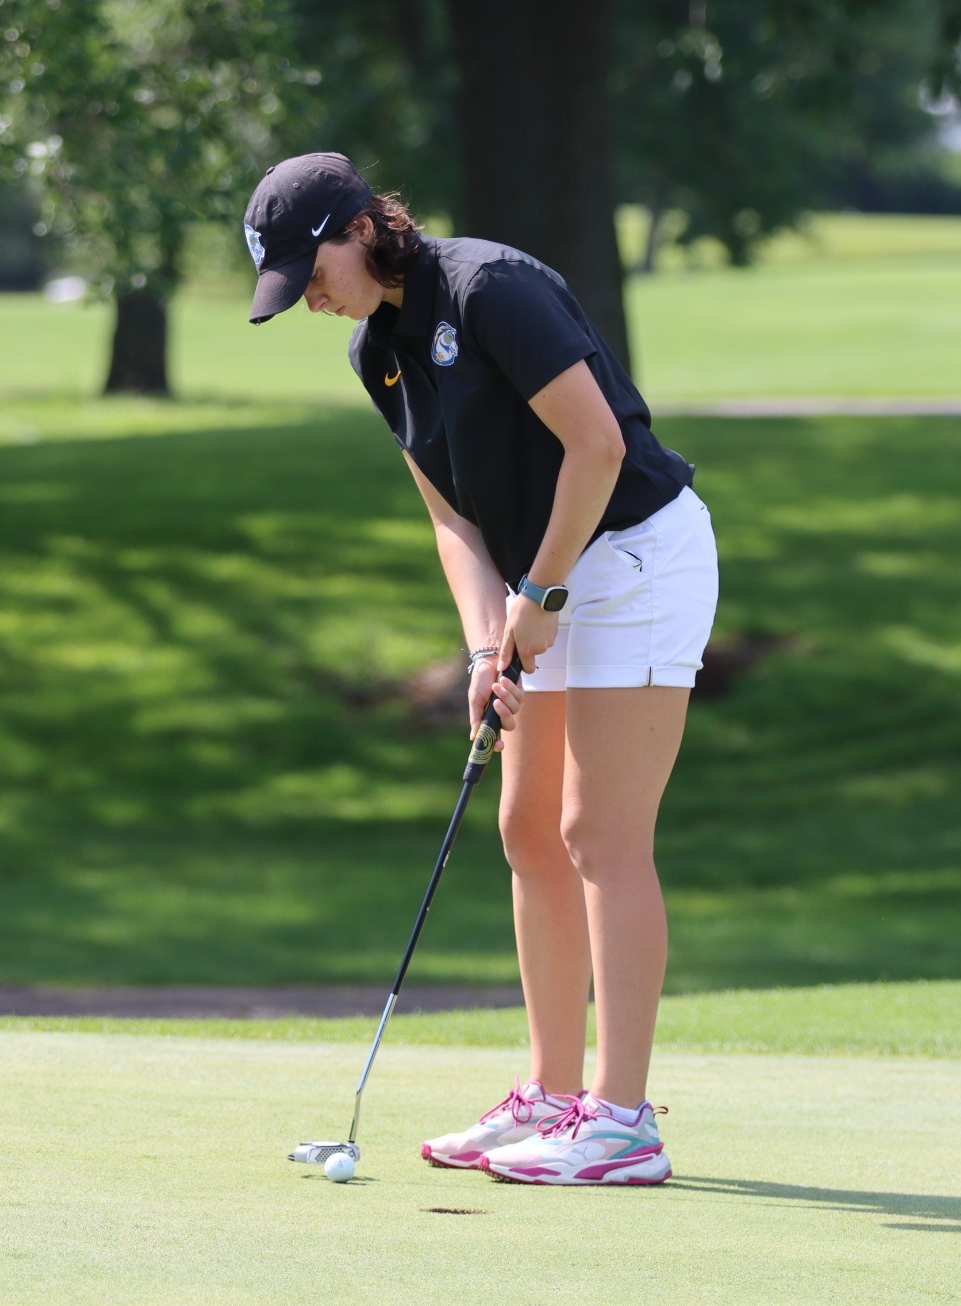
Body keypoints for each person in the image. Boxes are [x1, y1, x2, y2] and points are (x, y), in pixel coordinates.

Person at [245, 152, 717, 1186]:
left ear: (360, 227)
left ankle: (622, 1121)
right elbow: (452, 519)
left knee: (598, 833)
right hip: (539, 578)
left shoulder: (489, 285)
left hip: (635, 555)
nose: (309, 298)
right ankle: (550, 1094)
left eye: (309, 273)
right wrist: (483, 644)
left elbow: (596, 447)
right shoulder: (375, 352)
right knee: (525, 828)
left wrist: (538, 595)